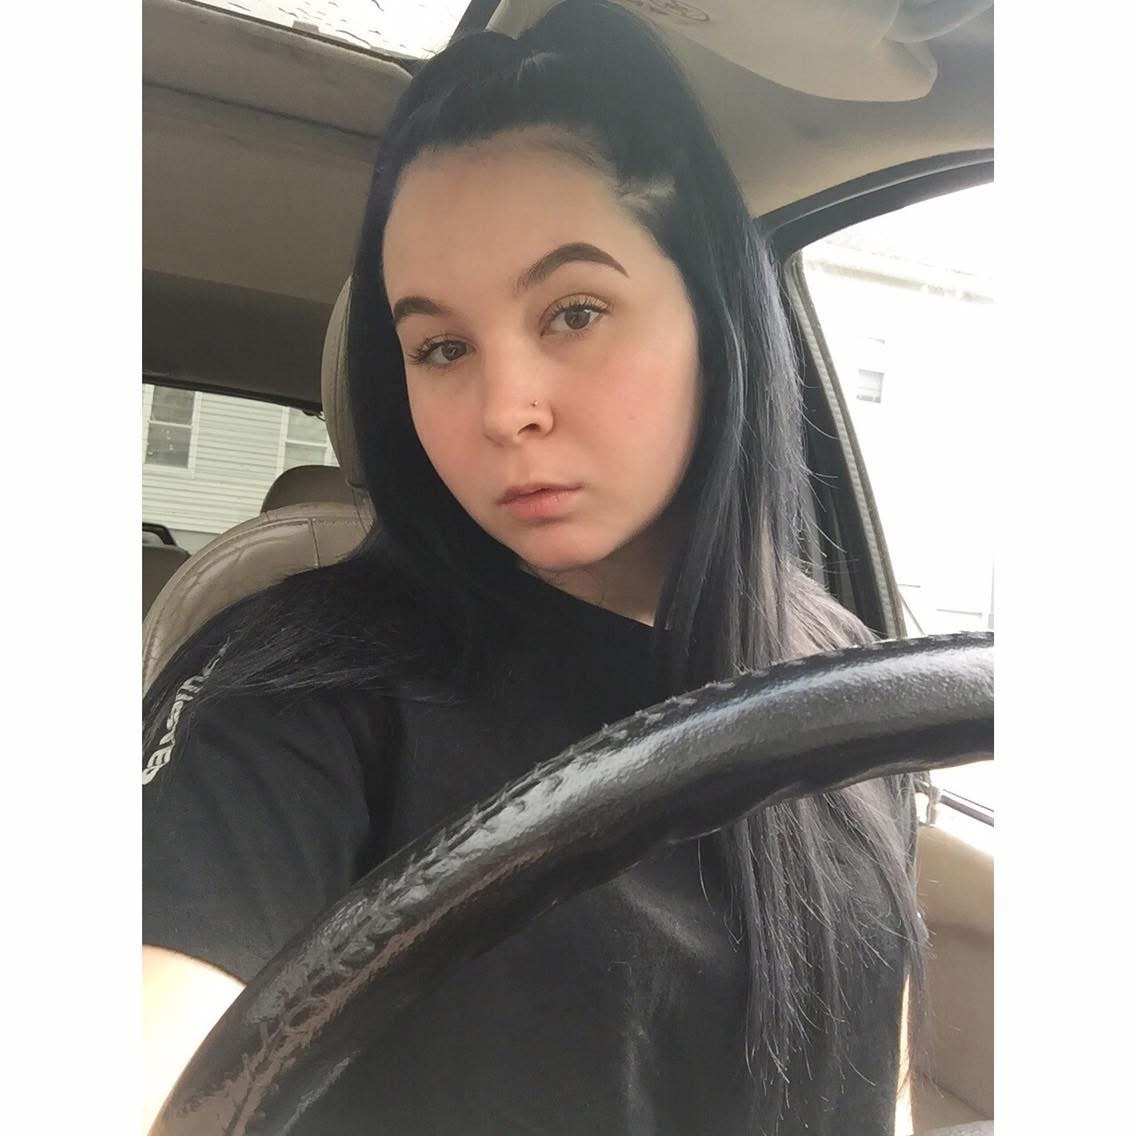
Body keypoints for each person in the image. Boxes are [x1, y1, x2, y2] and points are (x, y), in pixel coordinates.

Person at [142, 2, 925, 1132]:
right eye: (440, 347)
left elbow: (882, 1079)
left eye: (574, 311)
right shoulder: (297, 693)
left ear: (714, 318)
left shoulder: (854, 684)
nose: (504, 408)